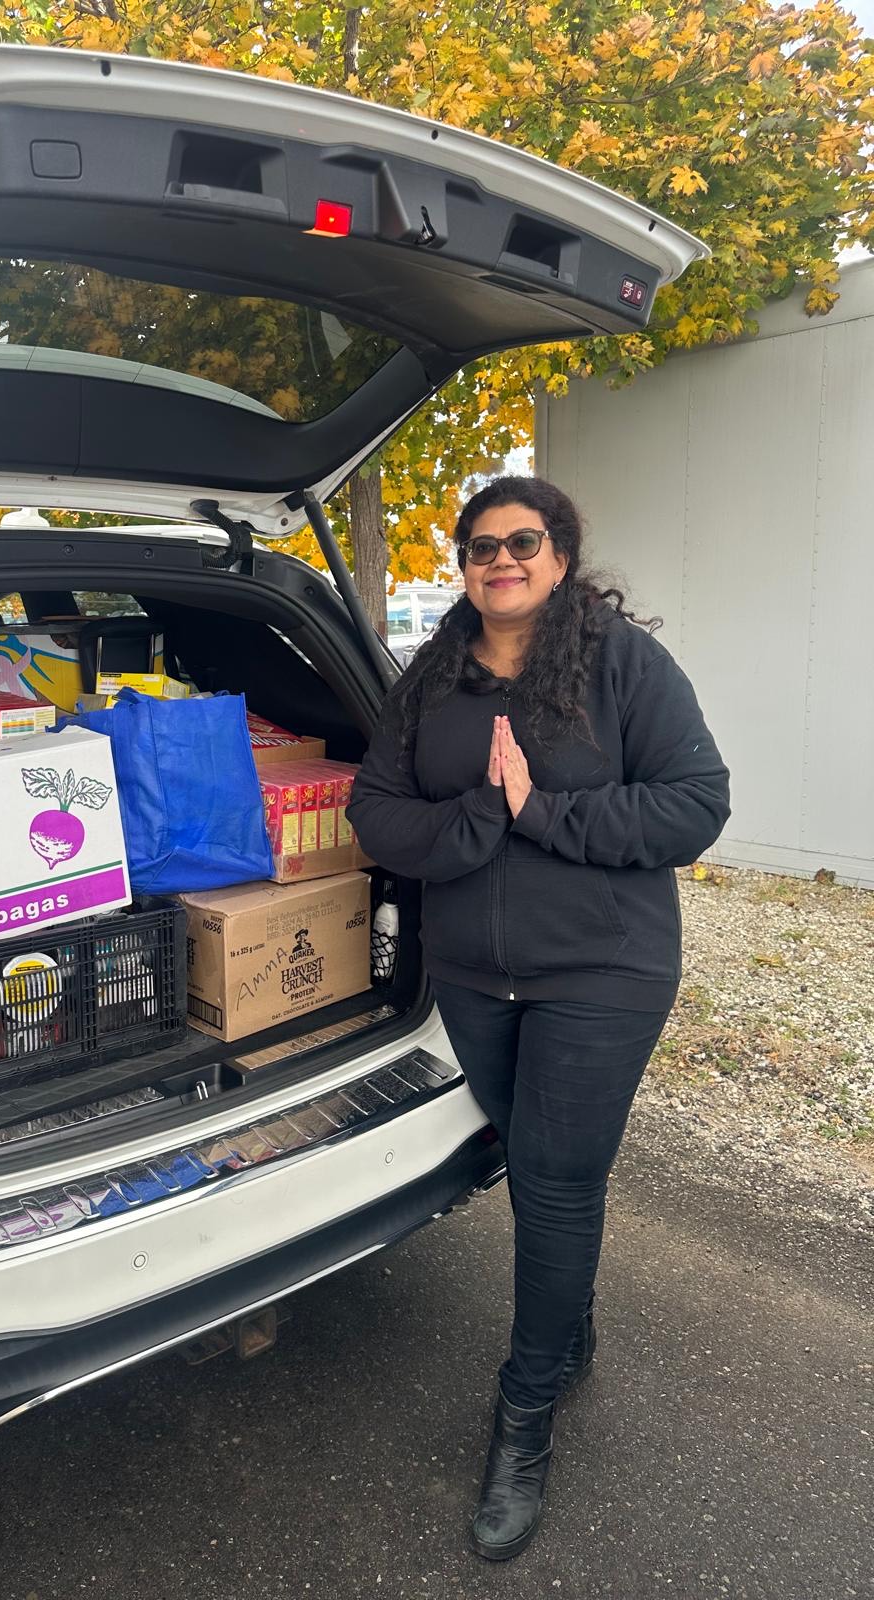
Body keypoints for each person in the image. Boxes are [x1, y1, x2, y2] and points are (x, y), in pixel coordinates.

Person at [347, 476, 729, 1562]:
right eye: (480, 546)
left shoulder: (619, 663)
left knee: (557, 1178)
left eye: (523, 540)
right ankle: (570, 1328)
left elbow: (696, 802)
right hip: (473, 973)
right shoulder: (435, 676)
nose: (499, 559)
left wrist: (541, 809)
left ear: (560, 553)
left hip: (600, 969)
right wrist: (476, 820)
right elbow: (374, 808)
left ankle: (524, 1418)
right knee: (535, 1157)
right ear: (463, 566)